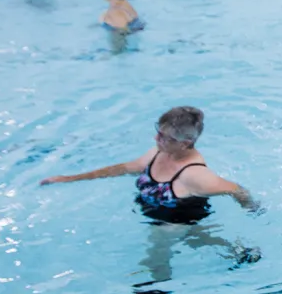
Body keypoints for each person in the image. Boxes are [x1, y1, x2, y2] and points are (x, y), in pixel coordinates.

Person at [39, 107, 261, 276]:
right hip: (157, 213)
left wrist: (253, 209)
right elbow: (124, 168)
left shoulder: (195, 176)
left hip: (174, 221)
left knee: (156, 257)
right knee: (196, 239)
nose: (157, 139)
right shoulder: (158, 152)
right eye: (158, 132)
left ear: (186, 143)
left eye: (165, 137)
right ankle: (242, 253)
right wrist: (69, 179)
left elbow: (236, 189)